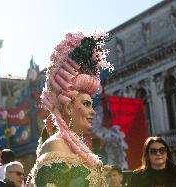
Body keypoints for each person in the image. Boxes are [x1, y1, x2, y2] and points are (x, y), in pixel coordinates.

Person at [26, 31, 114, 187]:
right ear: (68, 107)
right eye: (86, 104)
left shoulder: (77, 147)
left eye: (91, 105)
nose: (93, 111)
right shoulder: (56, 145)